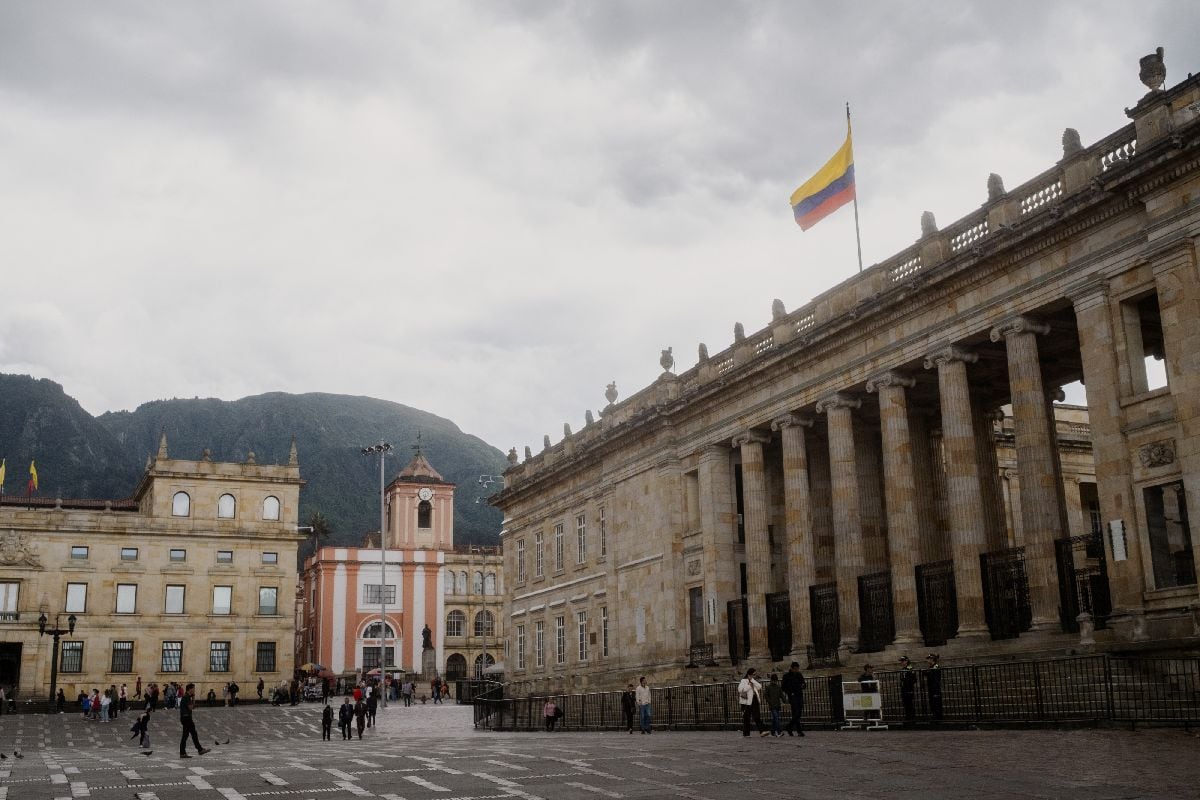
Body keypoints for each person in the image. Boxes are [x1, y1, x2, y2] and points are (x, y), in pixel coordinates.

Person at [178, 683, 209, 759]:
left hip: (185, 718)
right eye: (193, 689)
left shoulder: (187, 697)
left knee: (186, 735)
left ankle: (183, 753)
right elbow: (191, 707)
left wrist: (193, 700)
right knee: (192, 734)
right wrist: (194, 700)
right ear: (190, 689)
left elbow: (191, 707)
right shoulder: (186, 697)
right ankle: (199, 750)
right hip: (187, 718)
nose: (194, 690)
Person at [738, 668, 767, 737]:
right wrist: (749, 686)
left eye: (755, 674)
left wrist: (752, 681)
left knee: (757, 716)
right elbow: (740, 690)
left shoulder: (753, 680)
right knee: (746, 718)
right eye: (753, 674)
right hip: (746, 702)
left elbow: (759, 687)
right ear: (749, 674)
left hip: (754, 700)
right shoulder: (743, 681)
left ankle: (762, 732)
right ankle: (746, 734)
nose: (754, 676)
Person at [781, 661, 807, 737]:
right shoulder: (786, 676)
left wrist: (803, 686)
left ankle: (789, 727)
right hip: (792, 696)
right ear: (791, 668)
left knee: (798, 713)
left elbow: (804, 684)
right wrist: (790, 693)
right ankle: (798, 731)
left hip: (799, 695)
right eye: (795, 669)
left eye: (797, 669)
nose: (796, 670)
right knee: (796, 712)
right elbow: (783, 687)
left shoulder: (799, 675)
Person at [764, 673, 784, 737]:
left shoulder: (778, 687)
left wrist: (785, 701)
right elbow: (766, 696)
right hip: (772, 705)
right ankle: (779, 731)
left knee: (775, 719)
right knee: (776, 717)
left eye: (775, 681)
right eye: (774, 680)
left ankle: (772, 731)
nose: (774, 682)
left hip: (777, 705)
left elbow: (781, 695)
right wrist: (770, 702)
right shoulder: (768, 687)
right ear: (771, 680)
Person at [898, 656, 917, 722]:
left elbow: (913, 679)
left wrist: (908, 685)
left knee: (910, 704)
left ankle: (912, 717)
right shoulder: (903, 669)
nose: (901, 662)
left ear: (906, 661)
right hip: (904, 689)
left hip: (909, 689)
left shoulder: (910, 668)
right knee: (906, 704)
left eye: (903, 661)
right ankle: (908, 717)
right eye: (901, 661)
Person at [926, 653, 943, 721]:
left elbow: (936, 679)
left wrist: (935, 689)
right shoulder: (931, 667)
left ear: (932, 659)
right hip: (931, 688)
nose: (927, 661)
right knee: (932, 703)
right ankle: (935, 716)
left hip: (935, 688)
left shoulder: (935, 667)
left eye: (928, 659)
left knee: (936, 703)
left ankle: (938, 717)